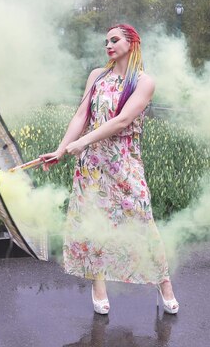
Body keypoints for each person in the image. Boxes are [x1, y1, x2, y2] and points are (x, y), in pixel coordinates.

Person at [40, 24, 179, 315]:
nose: (108, 45)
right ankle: (98, 284)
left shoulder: (143, 82)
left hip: (124, 162)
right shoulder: (97, 76)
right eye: (106, 41)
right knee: (93, 223)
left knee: (143, 220)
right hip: (91, 164)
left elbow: (122, 121)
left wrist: (82, 141)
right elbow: (81, 115)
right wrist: (62, 148)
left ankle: (163, 282)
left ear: (132, 43)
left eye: (114, 40)